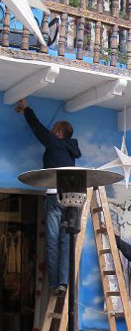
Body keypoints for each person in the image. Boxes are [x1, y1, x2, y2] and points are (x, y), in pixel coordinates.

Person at [15, 98, 81, 294]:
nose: (51, 131)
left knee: (52, 241)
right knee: (66, 240)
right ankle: (63, 282)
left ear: (59, 133)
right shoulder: (71, 152)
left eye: (54, 129)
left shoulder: (55, 143)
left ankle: (54, 284)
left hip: (54, 196)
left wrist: (27, 109)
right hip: (71, 197)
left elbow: (38, 128)